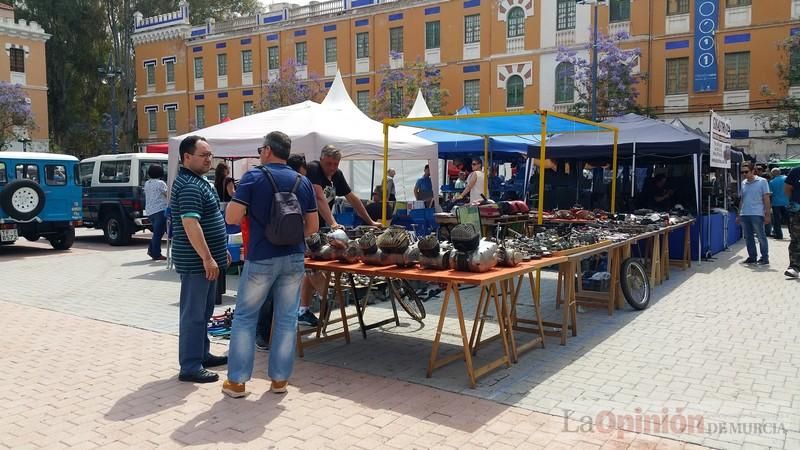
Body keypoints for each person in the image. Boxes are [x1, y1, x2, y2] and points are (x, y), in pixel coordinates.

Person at [222, 131, 319, 398]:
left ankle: (238, 382)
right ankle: (279, 381)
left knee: (244, 318)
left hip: (261, 256)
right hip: (294, 257)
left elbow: (231, 216)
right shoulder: (303, 181)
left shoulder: (254, 177)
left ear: (266, 150)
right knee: (287, 320)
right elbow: (312, 227)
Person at [300, 145, 381, 327]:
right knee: (312, 267)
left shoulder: (336, 175)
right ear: (321, 159)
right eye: (329, 163)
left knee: (310, 270)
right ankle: (328, 299)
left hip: (320, 228)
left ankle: (302, 310)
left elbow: (352, 198)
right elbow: (318, 197)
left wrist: (370, 221)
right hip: (307, 226)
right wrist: (333, 223)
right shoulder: (313, 168)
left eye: (336, 164)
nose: (332, 167)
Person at [171, 136, 229, 383]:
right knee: (194, 314)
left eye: (210, 155)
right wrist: (207, 257)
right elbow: (190, 223)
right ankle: (190, 366)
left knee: (203, 312)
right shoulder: (189, 185)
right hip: (197, 264)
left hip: (206, 260)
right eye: (204, 155)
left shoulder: (199, 181)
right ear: (187, 157)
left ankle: (201, 354)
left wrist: (218, 250)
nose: (209, 159)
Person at [254, 152, 307, 351]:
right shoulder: (299, 183)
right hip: (280, 251)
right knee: (270, 296)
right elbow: (312, 225)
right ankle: (264, 335)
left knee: (273, 296)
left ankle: (267, 336)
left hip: (269, 249)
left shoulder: (259, 179)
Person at [737, 163, 771, 265]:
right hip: (745, 214)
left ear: (753, 171)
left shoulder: (762, 181)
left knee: (761, 236)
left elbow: (766, 198)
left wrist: (768, 214)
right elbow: (742, 199)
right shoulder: (743, 183)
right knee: (748, 237)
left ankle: (764, 258)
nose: (744, 174)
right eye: (742, 172)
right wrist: (739, 214)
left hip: (757, 213)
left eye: (746, 171)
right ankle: (752, 257)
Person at [144, 164, 168, 261]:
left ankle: (151, 250)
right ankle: (156, 254)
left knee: (157, 232)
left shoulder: (147, 183)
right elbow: (167, 194)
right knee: (158, 233)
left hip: (150, 211)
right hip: (160, 210)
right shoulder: (161, 183)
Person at [783, 166, 800, 278]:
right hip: (798, 212)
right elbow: (787, 188)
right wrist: (794, 201)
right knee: (796, 239)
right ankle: (794, 267)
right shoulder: (796, 171)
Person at [769, 168, 788, 239]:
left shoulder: (771, 182)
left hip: (776, 203)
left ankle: (779, 235)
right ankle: (792, 234)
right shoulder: (786, 178)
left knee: (777, 220)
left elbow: (770, 194)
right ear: (780, 172)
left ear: (772, 173)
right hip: (787, 202)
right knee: (789, 219)